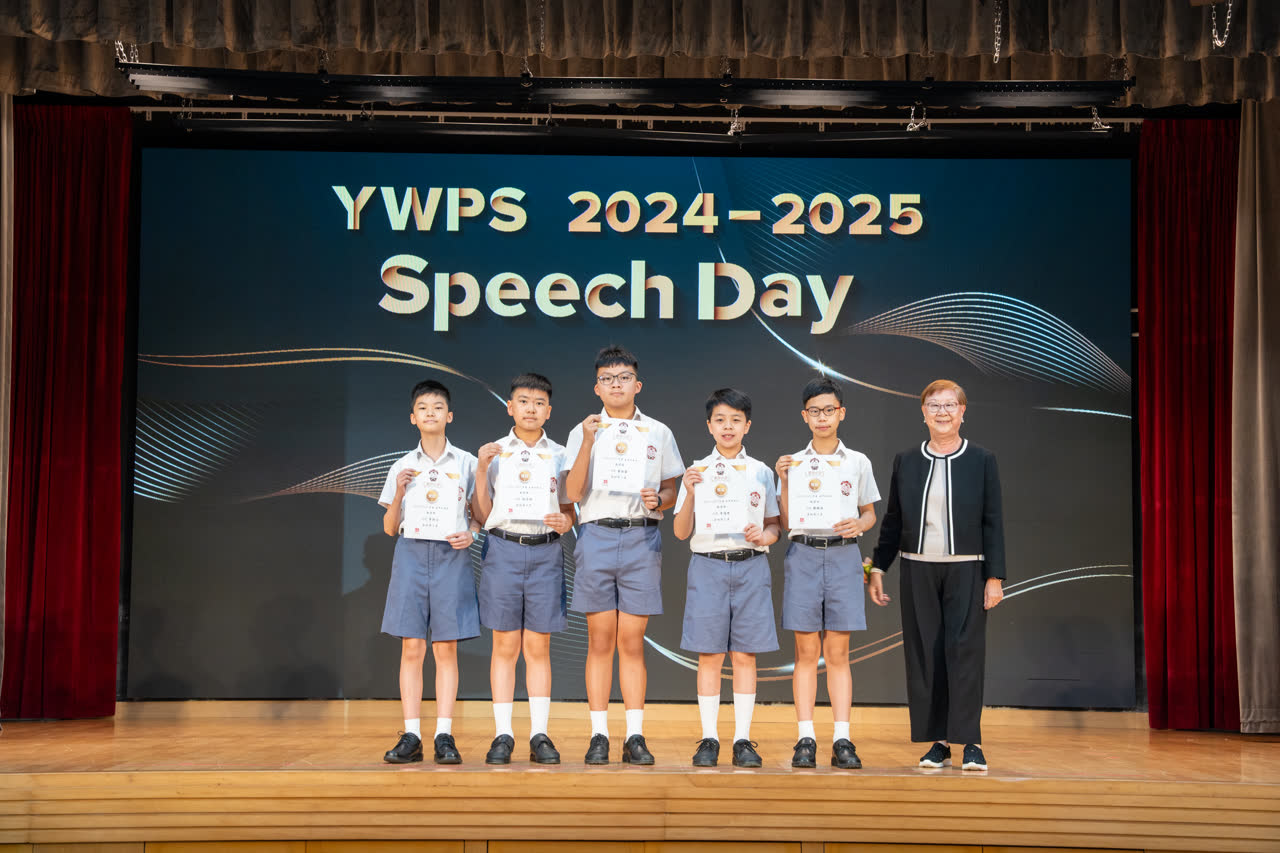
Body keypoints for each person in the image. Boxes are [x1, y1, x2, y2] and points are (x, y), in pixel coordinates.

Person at [868, 379, 1006, 771]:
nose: (942, 412)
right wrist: (879, 565)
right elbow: (893, 519)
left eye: (949, 405)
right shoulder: (907, 460)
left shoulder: (982, 459)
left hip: (968, 568)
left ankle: (971, 742)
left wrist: (995, 577)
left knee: (964, 654)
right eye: (934, 405)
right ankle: (939, 742)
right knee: (925, 655)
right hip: (917, 568)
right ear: (923, 413)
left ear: (962, 411)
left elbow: (993, 521)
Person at [563, 346, 684, 765]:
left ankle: (635, 736)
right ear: (597, 387)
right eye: (608, 378)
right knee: (600, 640)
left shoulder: (658, 432)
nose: (616, 384)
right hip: (596, 535)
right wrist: (588, 441)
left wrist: (659, 500)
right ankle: (598, 735)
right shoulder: (583, 431)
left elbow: (671, 490)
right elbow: (572, 492)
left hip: (640, 537)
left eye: (624, 377)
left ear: (638, 384)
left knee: (631, 642)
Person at [775, 376, 882, 770]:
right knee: (805, 653)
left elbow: (869, 513)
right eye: (814, 411)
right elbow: (786, 521)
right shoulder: (792, 463)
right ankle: (805, 738)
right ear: (804, 416)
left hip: (843, 556)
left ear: (841, 413)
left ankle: (842, 739)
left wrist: (860, 524)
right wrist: (783, 481)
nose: (822, 417)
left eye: (829, 410)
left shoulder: (858, 462)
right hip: (803, 554)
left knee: (838, 654)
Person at [672, 388, 781, 768]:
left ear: (747, 426)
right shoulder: (697, 471)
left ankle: (743, 740)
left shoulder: (761, 472)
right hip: (708, 566)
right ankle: (709, 738)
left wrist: (764, 537)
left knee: (746, 655)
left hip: (751, 565)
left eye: (736, 420)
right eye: (720, 420)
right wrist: (688, 491)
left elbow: (774, 526)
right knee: (710, 655)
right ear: (709, 426)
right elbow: (680, 532)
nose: (728, 426)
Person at [472, 373, 576, 765]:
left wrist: (567, 522)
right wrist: (480, 470)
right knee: (504, 646)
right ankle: (503, 734)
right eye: (523, 401)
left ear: (549, 410)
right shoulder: (494, 453)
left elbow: (567, 509)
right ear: (510, 406)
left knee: (538, 646)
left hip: (545, 551)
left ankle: (539, 734)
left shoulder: (561, 454)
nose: (530, 409)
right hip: (503, 548)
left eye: (538, 402)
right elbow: (483, 513)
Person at [378, 379, 480, 765]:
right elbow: (389, 528)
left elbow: (479, 514)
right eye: (423, 408)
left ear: (449, 416)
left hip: (451, 556)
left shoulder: (467, 463)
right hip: (411, 554)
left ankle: (444, 735)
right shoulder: (402, 465)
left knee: (446, 647)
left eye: (438, 407)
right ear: (413, 418)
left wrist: (472, 534)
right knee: (412, 646)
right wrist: (399, 492)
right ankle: (412, 735)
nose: (431, 413)